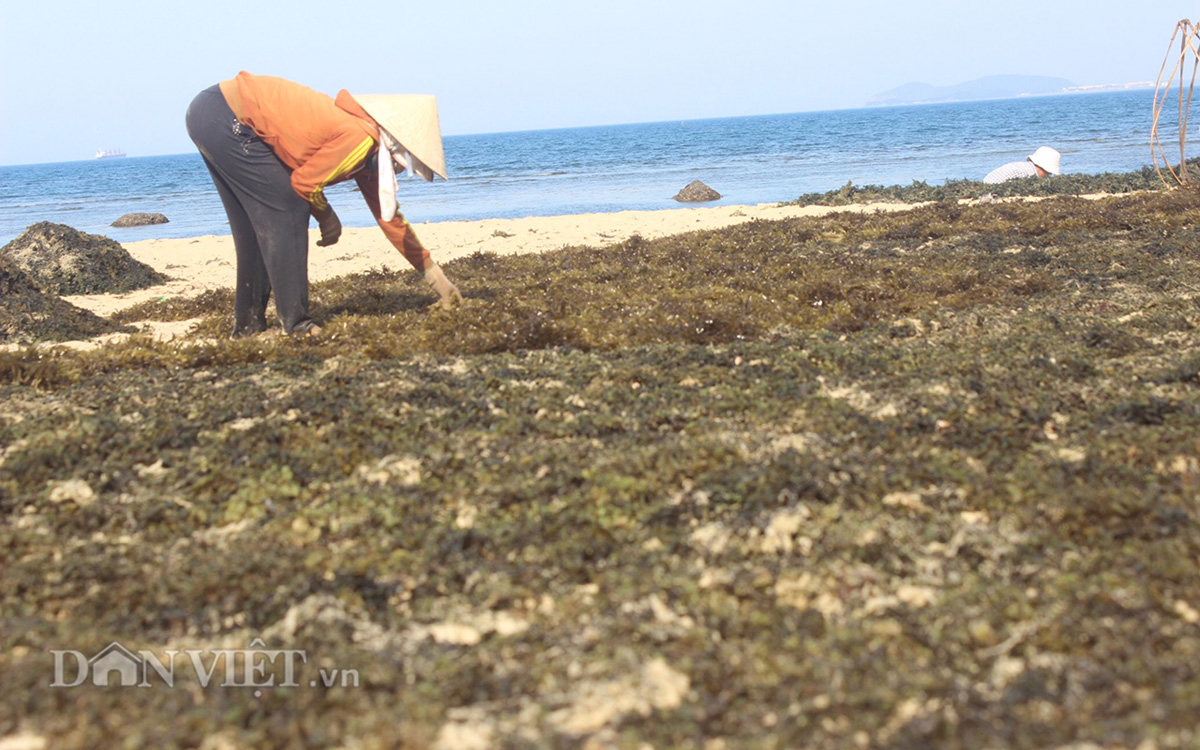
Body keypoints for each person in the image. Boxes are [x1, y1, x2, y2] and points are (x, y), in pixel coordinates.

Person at [185, 72, 463, 337]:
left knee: (256, 226)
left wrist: (439, 282)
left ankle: (247, 327)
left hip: (210, 112)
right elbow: (304, 183)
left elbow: (390, 219)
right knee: (288, 208)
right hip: (227, 113)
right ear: (398, 149)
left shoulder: (366, 149)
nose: (402, 173)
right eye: (407, 166)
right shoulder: (360, 139)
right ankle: (297, 325)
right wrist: (328, 217)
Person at [983, 146, 1062, 185]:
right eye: (1048, 172)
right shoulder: (1029, 174)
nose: (1049, 175)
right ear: (1043, 168)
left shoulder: (1023, 166)